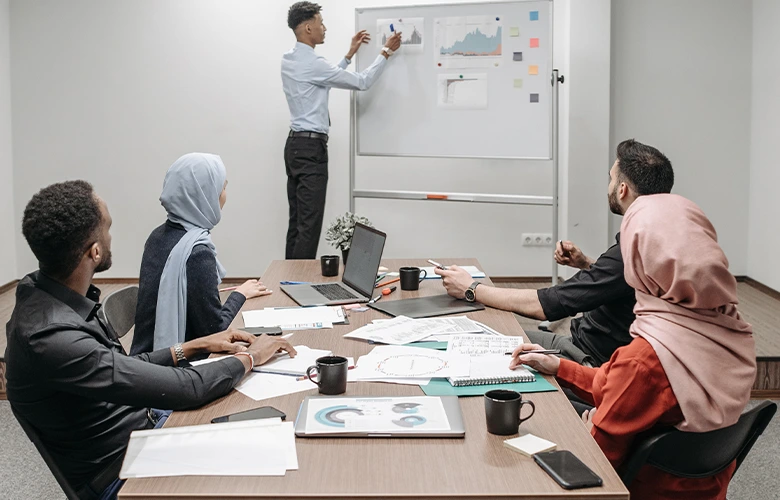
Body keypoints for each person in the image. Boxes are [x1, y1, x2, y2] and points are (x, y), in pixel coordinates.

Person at [5, 180, 296, 499]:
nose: (111, 235)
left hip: (141, 433)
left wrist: (193, 346)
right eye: (108, 228)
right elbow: (189, 388)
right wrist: (253, 355)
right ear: (95, 251)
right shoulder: (52, 336)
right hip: (122, 475)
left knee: (265, 426)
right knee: (268, 466)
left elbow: (117, 368)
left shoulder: (45, 292)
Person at [510, 193, 756, 500]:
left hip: (643, 488)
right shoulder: (730, 329)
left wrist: (589, 432)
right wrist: (559, 367)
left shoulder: (647, 357)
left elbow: (596, 464)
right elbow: (625, 387)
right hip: (706, 488)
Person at [436, 139, 674, 366]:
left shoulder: (628, 252)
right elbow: (627, 285)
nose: (608, 186)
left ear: (622, 190)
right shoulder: (662, 237)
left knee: (482, 346)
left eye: (610, 179)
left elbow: (544, 306)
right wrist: (587, 264)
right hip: (590, 345)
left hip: (586, 358)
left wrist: (471, 289)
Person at [281, 1, 402, 259]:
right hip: (311, 150)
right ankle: (298, 285)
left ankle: (287, 282)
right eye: (320, 23)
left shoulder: (289, 60)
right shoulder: (313, 63)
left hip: (294, 147)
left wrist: (349, 56)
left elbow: (323, 78)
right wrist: (385, 53)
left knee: (297, 223)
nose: (325, 28)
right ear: (307, 28)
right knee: (309, 226)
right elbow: (362, 82)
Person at [131, 153, 270, 355]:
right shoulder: (196, 253)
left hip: (143, 357)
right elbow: (215, 332)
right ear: (204, 195)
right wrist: (240, 294)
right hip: (172, 367)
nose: (224, 196)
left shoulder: (157, 236)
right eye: (222, 188)